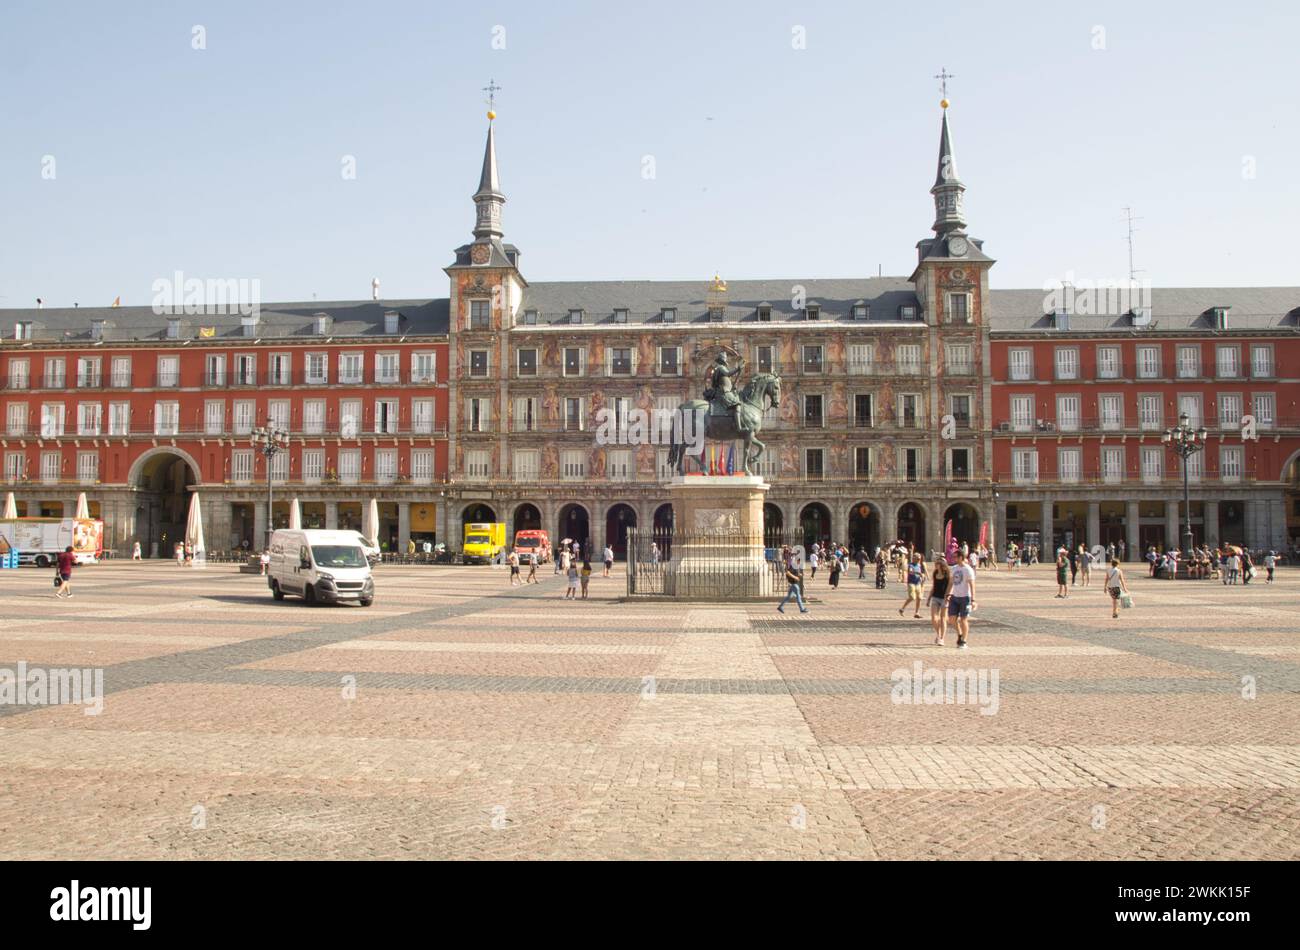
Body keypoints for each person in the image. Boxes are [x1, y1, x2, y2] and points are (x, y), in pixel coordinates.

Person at [946, 550, 977, 649]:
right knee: (951, 619)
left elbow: (972, 585)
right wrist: (947, 594)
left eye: (955, 557)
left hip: (965, 597)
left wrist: (973, 599)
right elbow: (951, 582)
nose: (954, 558)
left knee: (963, 619)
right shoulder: (954, 568)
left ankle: (964, 640)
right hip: (955, 596)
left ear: (961, 557)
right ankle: (959, 634)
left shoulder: (968, 570)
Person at [928, 554, 951, 645]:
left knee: (943, 618)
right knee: (934, 618)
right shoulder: (935, 573)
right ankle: (939, 633)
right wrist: (929, 597)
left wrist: (948, 595)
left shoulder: (947, 575)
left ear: (941, 565)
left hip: (944, 598)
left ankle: (942, 638)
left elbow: (950, 586)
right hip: (935, 597)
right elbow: (934, 586)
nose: (935, 565)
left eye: (937, 563)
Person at [899, 553, 925, 619]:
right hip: (911, 583)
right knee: (912, 597)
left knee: (919, 598)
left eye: (919, 559)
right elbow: (910, 572)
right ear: (914, 558)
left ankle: (917, 612)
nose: (919, 560)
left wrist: (922, 578)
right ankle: (902, 609)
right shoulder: (910, 565)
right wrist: (918, 573)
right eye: (918, 559)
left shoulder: (919, 565)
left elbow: (922, 573)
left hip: (918, 583)